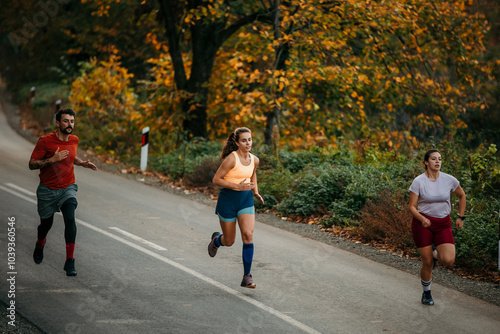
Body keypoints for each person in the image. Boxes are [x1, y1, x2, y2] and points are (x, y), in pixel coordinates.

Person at [29, 108, 98, 276]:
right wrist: (52, 160)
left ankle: (70, 261)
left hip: (67, 187)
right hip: (47, 190)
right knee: (46, 225)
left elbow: (70, 155)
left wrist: (80, 162)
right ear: (58, 123)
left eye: (72, 121)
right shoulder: (45, 142)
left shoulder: (74, 140)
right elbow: (31, 164)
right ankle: (40, 243)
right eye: (66, 121)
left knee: (70, 217)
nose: (70, 124)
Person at [208, 127, 264, 288]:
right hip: (228, 200)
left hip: (246, 200)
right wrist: (236, 186)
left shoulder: (255, 159)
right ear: (237, 142)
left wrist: (255, 191)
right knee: (230, 240)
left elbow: (252, 173)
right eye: (244, 140)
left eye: (250, 139)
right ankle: (216, 241)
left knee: (247, 234)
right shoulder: (231, 159)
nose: (248, 143)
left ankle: (247, 276)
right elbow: (216, 179)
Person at [409, 149, 466, 305]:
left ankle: (436, 253)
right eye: (433, 159)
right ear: (426, 162)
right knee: (427, 262)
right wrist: (422, 219)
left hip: (443, 223)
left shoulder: (449, 180)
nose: (437, 162)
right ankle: (426, 293)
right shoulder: (418, 181)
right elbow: (412, 207)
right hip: (423, 225)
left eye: (439, 159)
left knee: (448, 260)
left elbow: (462, 195)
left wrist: (461, 216)